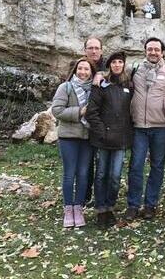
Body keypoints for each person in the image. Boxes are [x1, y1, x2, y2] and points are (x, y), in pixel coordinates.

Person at [125, 37, 165, 221]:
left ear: (162, 52)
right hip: (139, 126)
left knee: (157, 166)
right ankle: (133, 204)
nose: (153, 52)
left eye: (156, 49)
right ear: (145, 51)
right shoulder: (135, 69)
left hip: (161, 126)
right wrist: (99, 74)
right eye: (150, 49)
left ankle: (150, 205)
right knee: (136, 166)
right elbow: (114, 73)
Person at [85, 51, 133, 228]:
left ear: (123, 65)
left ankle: (110, 206)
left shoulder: (129, 85)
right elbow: (92, 111)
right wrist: (101, 132)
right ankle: (101, 209)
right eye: (114, 62)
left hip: (120, 139)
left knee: (114, 176)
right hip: (103, 138)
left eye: (120, 62)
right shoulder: (101, 84)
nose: (117, 65)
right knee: (101, 174)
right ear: (110, 65)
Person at [52, 57, 96, 228]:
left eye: (87, 69)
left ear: (91, 71)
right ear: (75, 70)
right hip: (68, 137)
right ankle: (68, 209)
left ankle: (78, 208)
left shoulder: (94, 89)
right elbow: (57, 110)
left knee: (84, 173)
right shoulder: (66, 87)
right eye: (80, 69)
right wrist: (80, 111)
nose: (83, 72)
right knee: (69, 173)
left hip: (87, 137)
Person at [83, 37, 106, 207]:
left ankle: (100, 195)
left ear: (102, 50)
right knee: (86, 162)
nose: (93, 51)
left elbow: (117, 73)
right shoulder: (78, 66)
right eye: (90, 48)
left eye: (97, 48)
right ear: (85, 51)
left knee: (102, 163)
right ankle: (85, 195)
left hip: (103, 122)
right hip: (82, 123)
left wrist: (101, 73)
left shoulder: (107, 65)